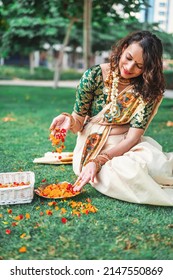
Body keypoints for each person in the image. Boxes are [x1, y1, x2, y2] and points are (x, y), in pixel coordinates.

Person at [50, 30, 173, 206]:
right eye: (129, 58)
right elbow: (78, 124)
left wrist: (100, 161)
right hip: (91, 146)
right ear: (123, 48)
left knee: (158, 167)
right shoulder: (94, 76)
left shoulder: (148, 89)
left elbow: (132, 138)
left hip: (125, 143)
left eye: (139, 66)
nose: (130, 67)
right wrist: (69, 120)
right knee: (128, 172)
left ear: (148, 68)